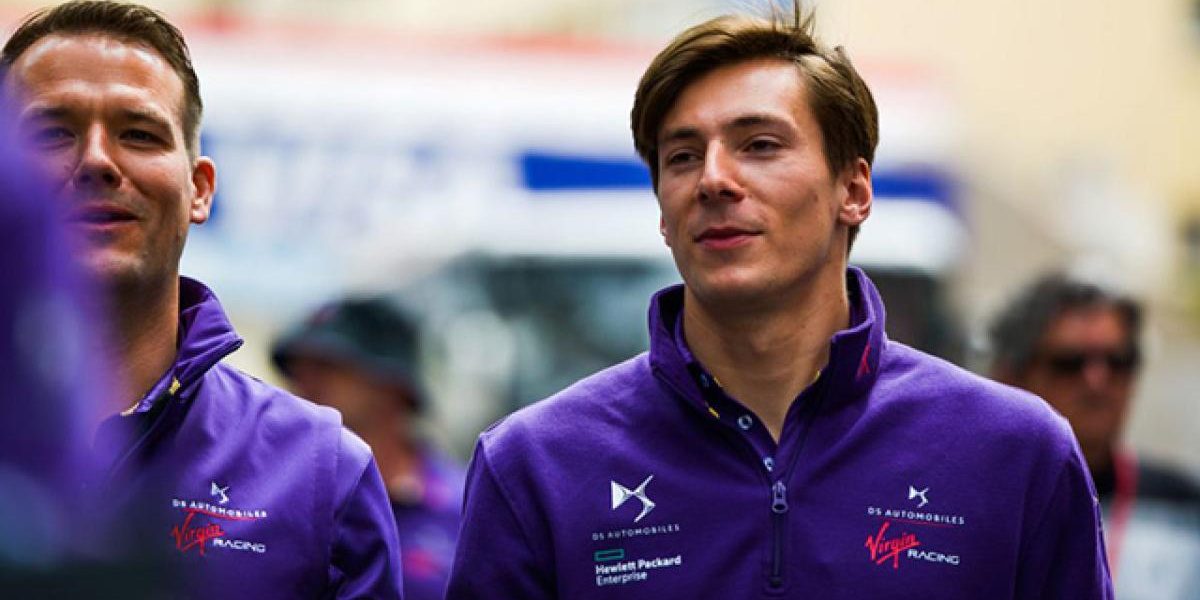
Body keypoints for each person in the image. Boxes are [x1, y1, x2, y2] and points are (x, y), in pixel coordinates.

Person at [447, 5, 1113, 598]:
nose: (713, 179)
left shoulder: (1017, 454)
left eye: (759, 145)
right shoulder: (535, 464)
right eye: (682, 157)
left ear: (853, 191)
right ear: (662, 212)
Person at [0, 2, 404, 597]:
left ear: (200, 189)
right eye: (51, 132)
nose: (97, 161)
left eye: (139, 134)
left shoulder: (321, 472)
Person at [991, 272, 1200, 599]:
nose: (1097, 381)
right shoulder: (978, 496)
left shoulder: (1185, 506)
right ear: (1009, 376)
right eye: (1070, 363)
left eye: (1118, 362)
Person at [272, 297, 466, 600]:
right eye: (297, 372)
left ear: (393, 384)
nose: (304, 385)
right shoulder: (277, 499)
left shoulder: (465, 509)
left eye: (327, 368)